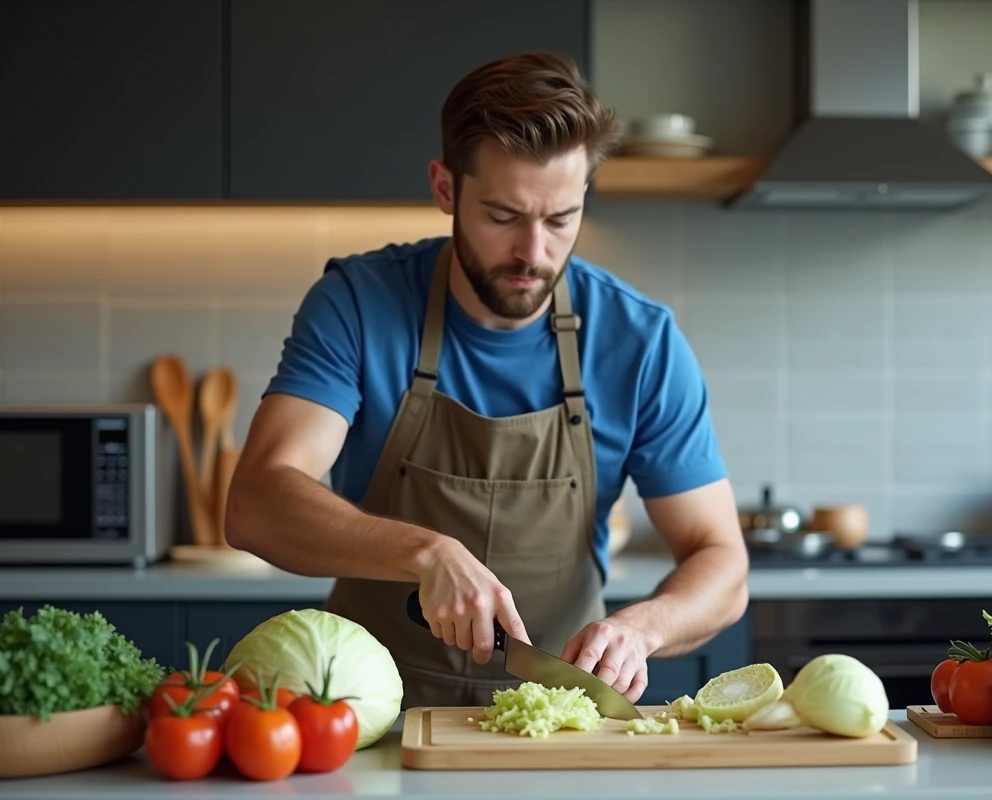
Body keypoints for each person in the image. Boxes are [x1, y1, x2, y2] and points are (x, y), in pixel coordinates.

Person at [225, 51, 749, 710]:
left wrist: (640, 629)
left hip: (561, 718)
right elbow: (255, 505)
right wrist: (426, 552)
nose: (534, 253)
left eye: (561, 219)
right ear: (445, 188)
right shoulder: (357, 304)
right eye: (504, 216)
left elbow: (722, 562)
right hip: (369, 717)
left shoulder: (639, 339)